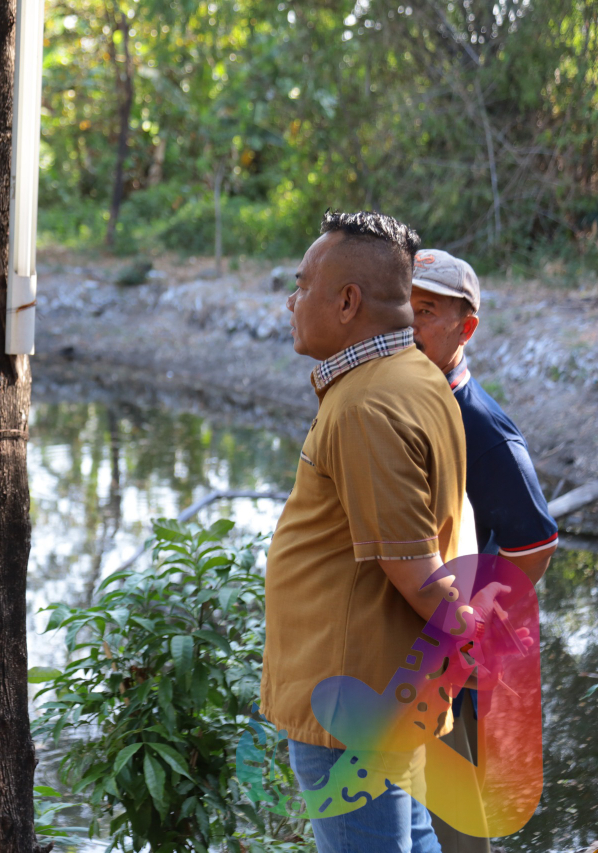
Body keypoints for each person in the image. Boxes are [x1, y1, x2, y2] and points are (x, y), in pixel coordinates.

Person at [261, 211, 464, 853]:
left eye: (303, 285)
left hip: (352, 704)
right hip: (388, 686)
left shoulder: (366, 406)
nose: (292, 302)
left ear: (347, 301)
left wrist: (477, 645)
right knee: (413, 838)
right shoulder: (416, 377)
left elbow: (416, 569)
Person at [410, 248, 558, 853]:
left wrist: (468, 622)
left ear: (465, 327)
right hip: (407, 650)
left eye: (425, 311)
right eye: (402, 308)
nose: (407, 325)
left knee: (454, 819)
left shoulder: (483, 426)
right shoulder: (410, 401)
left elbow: (537, 541)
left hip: (455, 661)